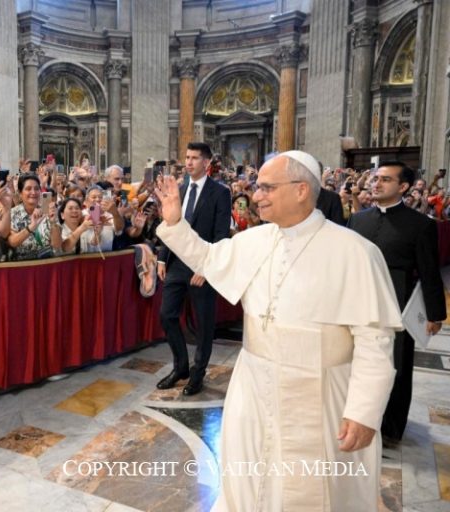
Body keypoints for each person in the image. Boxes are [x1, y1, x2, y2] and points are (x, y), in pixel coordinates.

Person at [154, 150, 402, 511]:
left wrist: (364, 412)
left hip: (322, 394)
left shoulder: (355, 252)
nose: (256, 195)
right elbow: (208, 259)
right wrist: (176, 223)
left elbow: (375, 341)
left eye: (267, 187)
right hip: (254, 386)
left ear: (301, 190)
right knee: (250, 477)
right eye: (258, 187)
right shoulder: (254, 240)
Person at [348, 161, 446, 441]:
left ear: (403, 187)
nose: (376, 183)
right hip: (357, 300)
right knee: (354, 360)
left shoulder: (420, 225)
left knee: (397, 365)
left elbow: (429, 271)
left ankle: (391, 427)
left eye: (385, 180)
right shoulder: (358, 220)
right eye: (375, 178)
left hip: (397, 299)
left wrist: (435, 314)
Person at [155, 142, 231, 395]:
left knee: (203, 324)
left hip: (202, 266)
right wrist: (162, 258)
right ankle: (181, 367)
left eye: (194, 158)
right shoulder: (179, 189)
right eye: (187, 157)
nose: (188, 162)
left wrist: (207, 268)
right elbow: (170, 223)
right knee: (167, 315)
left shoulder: (220, 192)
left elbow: (221, 235)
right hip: (176, 264)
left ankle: (197, 374)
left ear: (206, 163)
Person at [7, 174, 58, 260]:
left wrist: (53, 223)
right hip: (24, 265)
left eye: (36, 189)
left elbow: (57, 245)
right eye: (28, 189)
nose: (33, 192)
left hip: (48, 264)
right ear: (20, 193)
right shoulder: (12, 214)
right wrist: (32, 227)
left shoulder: (48, 212)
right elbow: (13, 242)